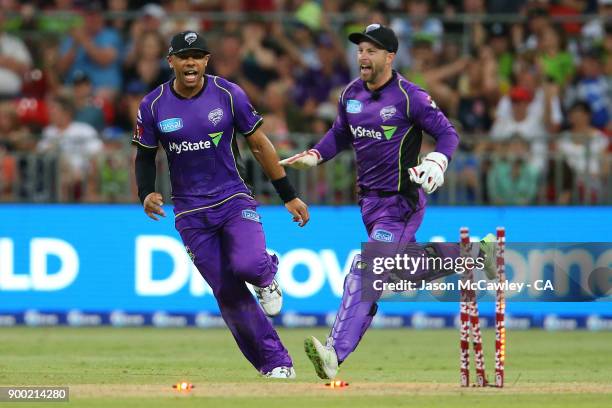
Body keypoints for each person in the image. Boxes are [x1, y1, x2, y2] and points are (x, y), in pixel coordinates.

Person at [280, 24, 497, 380]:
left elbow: (447, 133)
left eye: (371, 51)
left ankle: (334, 352)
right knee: (404, 270)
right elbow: (339, 134)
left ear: (389, 57)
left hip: (401, 202)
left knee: (367, 271)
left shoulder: (410, 96)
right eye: (360, 50)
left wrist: (436, 161)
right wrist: (316, 155)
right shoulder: (350, 94)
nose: (363, 57)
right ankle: (475, 254)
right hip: (368, 204)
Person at [132, 31, 309, 379]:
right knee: (227, 294)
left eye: (197, 56)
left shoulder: (229, 94)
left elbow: (259, 144)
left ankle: (266, 274)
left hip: (232, 198)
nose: (190, 63)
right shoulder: (152, 105)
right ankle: (275, 363)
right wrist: (145, 192)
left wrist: (288, 194)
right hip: (190, 213)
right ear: (171, 62)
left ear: (206, 61)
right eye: (183, 57)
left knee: (248, 263)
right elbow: (144, 156)